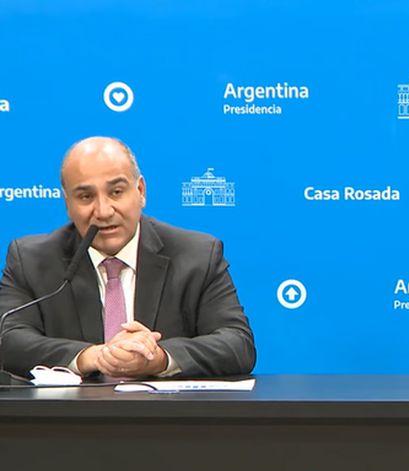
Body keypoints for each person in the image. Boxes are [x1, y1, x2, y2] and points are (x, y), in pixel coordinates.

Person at [0, 137, 255, 379]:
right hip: (73, 411)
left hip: (166, 410)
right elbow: (9, 341)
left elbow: (237, 344)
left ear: (140, 191)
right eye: (86, 197)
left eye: (116, 192)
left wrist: (159, 358)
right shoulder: (31, 260)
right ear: (68, 204)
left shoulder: (197, 255)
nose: (103, 211)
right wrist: (94, 356)